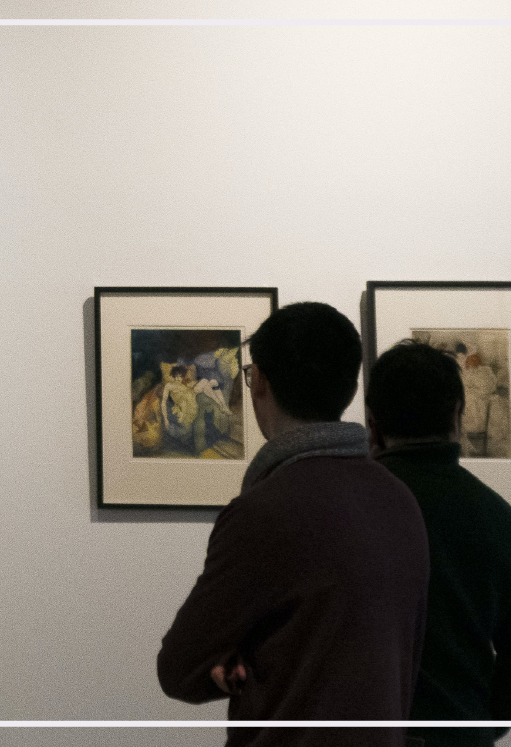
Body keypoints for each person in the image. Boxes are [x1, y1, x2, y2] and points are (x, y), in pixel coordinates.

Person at [157, 301, 430, 747]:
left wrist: (235, 663)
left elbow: (180, 669)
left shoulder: (264, 511)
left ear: (260, 380)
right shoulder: (398, 499)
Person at [367, 341, 511, 747]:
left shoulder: (347, 508)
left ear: (373, 423)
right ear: (458, 413)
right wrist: (479, 725)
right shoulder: (497, 517)